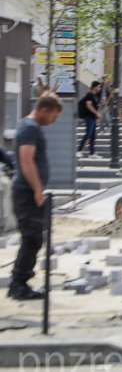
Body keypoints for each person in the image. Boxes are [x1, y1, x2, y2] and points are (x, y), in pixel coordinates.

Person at [8, 93, 63, 300]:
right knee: (31, 238)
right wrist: (38, 190)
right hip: (26, 192)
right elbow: (27, 161)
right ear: (44, 110)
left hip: (28, 192)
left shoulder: (31, 128)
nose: (53, 121)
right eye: (54, 116)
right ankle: (18, 285)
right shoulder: (29, 128)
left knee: (34, 238)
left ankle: (20, 281)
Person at [77, 81, 102, 159]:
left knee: (93, 136)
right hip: (89, 117)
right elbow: (88, 105)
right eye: (98, 86)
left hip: (93, 117)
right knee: (88, 133)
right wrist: (96, 113)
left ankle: (92, 153)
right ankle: (78, 151)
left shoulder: (95, 95)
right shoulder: (89, 94)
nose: (99, 88)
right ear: (94, 87)